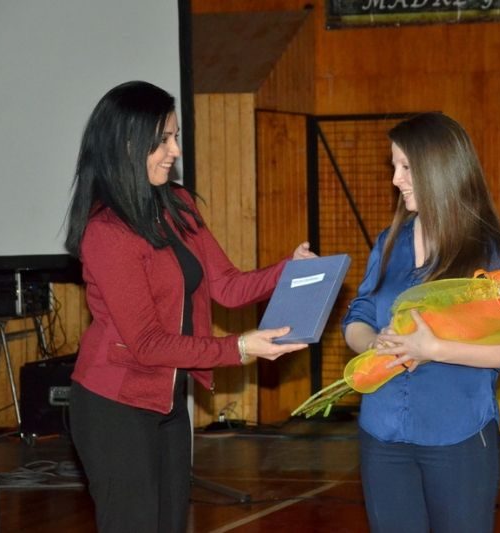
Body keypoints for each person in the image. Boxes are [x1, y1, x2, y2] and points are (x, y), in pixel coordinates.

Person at [64, 81, 314, 533]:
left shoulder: (177, 204)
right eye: (163, 140)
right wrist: (238, 347)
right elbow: (147, 344)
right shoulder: (107, 231)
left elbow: (227, 286)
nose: (174, 151)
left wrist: (289, 272)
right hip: (113, 407)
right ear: (126, 144)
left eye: (175, 137)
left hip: (168, 402)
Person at [342, 113, 500, 532]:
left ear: (439, 170)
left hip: (458, 437)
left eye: (405, 167)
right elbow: (358, 316)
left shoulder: (494, 251)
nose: (395, 179)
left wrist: (432, 350)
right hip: (382, 434)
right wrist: (373, 343)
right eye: (394, 166)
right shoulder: (389, 243)